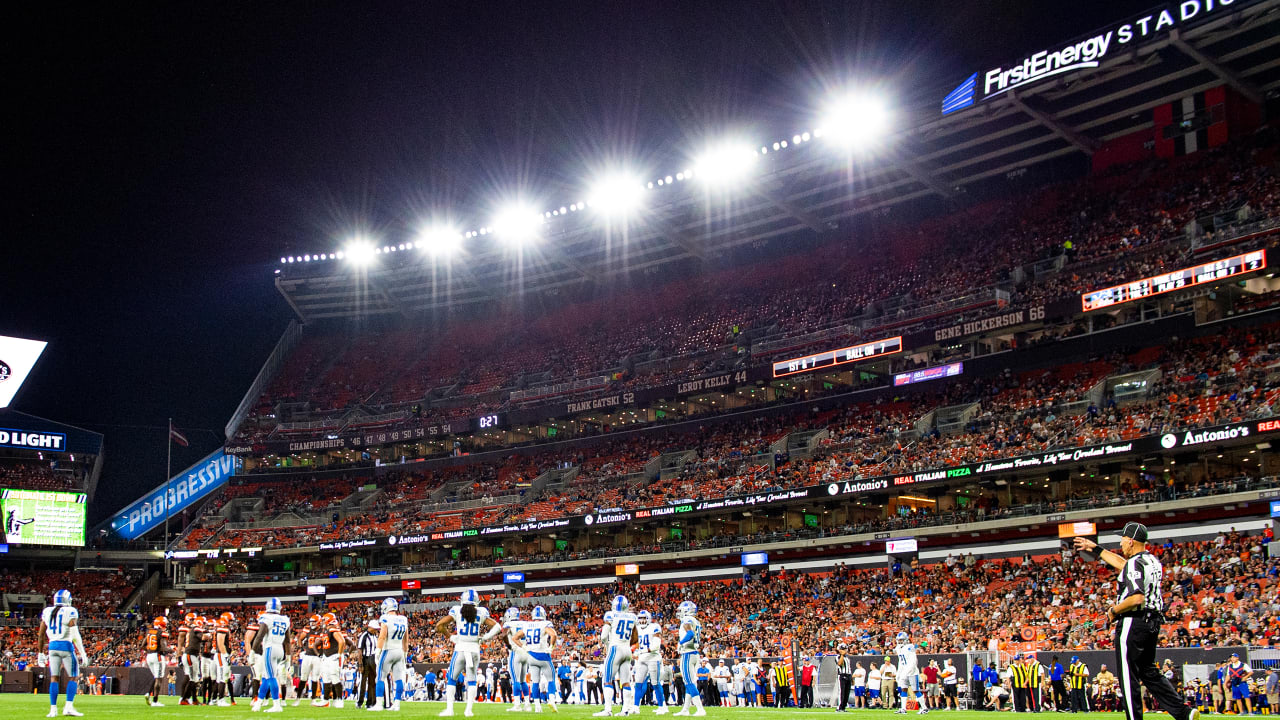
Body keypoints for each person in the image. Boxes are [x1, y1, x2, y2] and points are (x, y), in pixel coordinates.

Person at [1075, 523, 1200, 720]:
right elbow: (1123, 565)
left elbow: (1137, 598)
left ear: (1131, 541)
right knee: (1148, 671)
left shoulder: (1135, 563)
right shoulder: (1151, 560)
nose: (1121, 543)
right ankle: (1183, 712)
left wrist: (1113, 610)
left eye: (1123, 539)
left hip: (1133, 621)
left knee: (1127, 675)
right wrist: (1097, 549)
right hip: (1152, 622)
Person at [434, 588, 501, 717]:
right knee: (471, 680)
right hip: (474, 649)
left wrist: (450, 636)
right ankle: (468, 710)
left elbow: (439, 625)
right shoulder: (481, 612)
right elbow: (497, 626)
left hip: (460, 649)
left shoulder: (457, 611)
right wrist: (485, 637)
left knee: (451, 679)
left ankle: (450, 710)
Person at [39, 589, 87, 718]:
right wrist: (82, 652)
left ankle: (53, 710)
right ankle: (68, 707)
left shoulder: (47, 611)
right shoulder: (70, 611)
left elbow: (41, 634)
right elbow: (75, 635)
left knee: (54, 678)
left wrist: (40, 653)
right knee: (74, 677)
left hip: (52, 647)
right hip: (65, 645)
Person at [597, 595, 638, 717]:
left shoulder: (611, 615)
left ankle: (608, 710)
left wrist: (607, 644)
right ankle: (625, 710)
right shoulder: (632, 617)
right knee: (625, 682)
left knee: (607, 680)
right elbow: (635, 637)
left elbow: (604, 636)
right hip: (627, 649)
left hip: (615, 648)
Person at [252, 596, 292, 713]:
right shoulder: (285, 619)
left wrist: (252, 651)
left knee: (271, 677)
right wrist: (288, 657)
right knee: (265, 677)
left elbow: (259, 636)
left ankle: (276, 704)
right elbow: (288, 640)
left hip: (270, 648)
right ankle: (259, 703)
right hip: (280, 649)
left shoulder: (266, 618)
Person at [370, 597, 410, 712]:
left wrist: (378, 651)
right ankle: (397, 704)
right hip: (400, 651)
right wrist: (405, 653)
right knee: (398, 679)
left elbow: (382, 636)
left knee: (380, 677)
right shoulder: (403, 619)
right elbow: (406, 639)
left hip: (388, 650)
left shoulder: (385, 618)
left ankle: (378, 704)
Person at [521, 605, 559, 713]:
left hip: (531, 656)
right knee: (551, 680)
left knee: (535, 682)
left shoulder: (527, 625)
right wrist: (551, 647)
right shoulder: (545, 623)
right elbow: (553, 635)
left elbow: (515, 638)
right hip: (543, 655)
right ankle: (551, 699)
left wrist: (524, 646)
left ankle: (537, 706)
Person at [672, 600, 706, 717]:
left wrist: (680, 643)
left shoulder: (687, 620)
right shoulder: (695, 620)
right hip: (694, 653)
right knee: (690, 682)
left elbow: (690, 634)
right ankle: (685, 709)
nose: (679, 612)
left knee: (689, 682)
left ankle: (700, 709)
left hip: (688, 653)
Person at [633, 610, 666, 714]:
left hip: (652, 657)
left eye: (644, 618)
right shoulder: (637, 629)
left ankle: (661, 707)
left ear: (648, 618)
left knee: (655, 683)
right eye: (640, 618)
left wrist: (644, 650)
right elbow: (637, 643)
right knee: (638, 683)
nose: (642, 620)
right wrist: (636, 651)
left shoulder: (654, 627)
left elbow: (656, 645)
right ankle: (635, 707)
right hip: (642, 658)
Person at [503, 607, 531, 712]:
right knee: (523, 680)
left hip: (516, 652)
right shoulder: (525, 623)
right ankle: (527, 704)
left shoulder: (509, 624)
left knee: (516, 681)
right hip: (525, 652)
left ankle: (517, 705)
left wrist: (508, 645)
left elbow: (504, 634)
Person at [894, 632, 926, 716]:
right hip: (904, 672)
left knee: (915, 690)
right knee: (903, 689)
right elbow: (900, 662)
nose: (900, 642)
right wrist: (899, 673)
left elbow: (913, 661)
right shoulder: (898, 648)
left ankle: (924, 708)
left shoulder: (910, 647)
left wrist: (907, 672)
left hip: (912, 672)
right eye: (899, 640)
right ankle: (903, 708)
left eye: (901, 640)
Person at [318, 612, 345, 708]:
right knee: (326, 679)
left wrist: (339, 654)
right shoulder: (326, 630)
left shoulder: (333, 629)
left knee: (335, 678)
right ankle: (325, 700)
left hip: (333, 656)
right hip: (326, 657)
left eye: (324, 620)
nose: (323, 622)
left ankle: (339, 700)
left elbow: (342, 641)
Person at [144, 616, 170, 707]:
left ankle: (148, 692)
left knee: (156, 677)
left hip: (149, 656)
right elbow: (163, 647)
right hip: (157, 656)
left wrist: (150, 651)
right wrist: (171, 650)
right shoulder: (161, 633)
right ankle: (155, 701)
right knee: (159, 678)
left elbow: (143, 645)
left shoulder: (149, 632)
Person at [357, 620, 379, 708]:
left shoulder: (375, 636)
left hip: (373, 660)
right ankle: (359, 702)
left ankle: (370, 702)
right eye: (375, 629)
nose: (376, 630)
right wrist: (360, 664)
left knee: (372, 682)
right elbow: (359, 650)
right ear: (370, 627)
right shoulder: (364, 636)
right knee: (363, 682)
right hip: (365, 660)